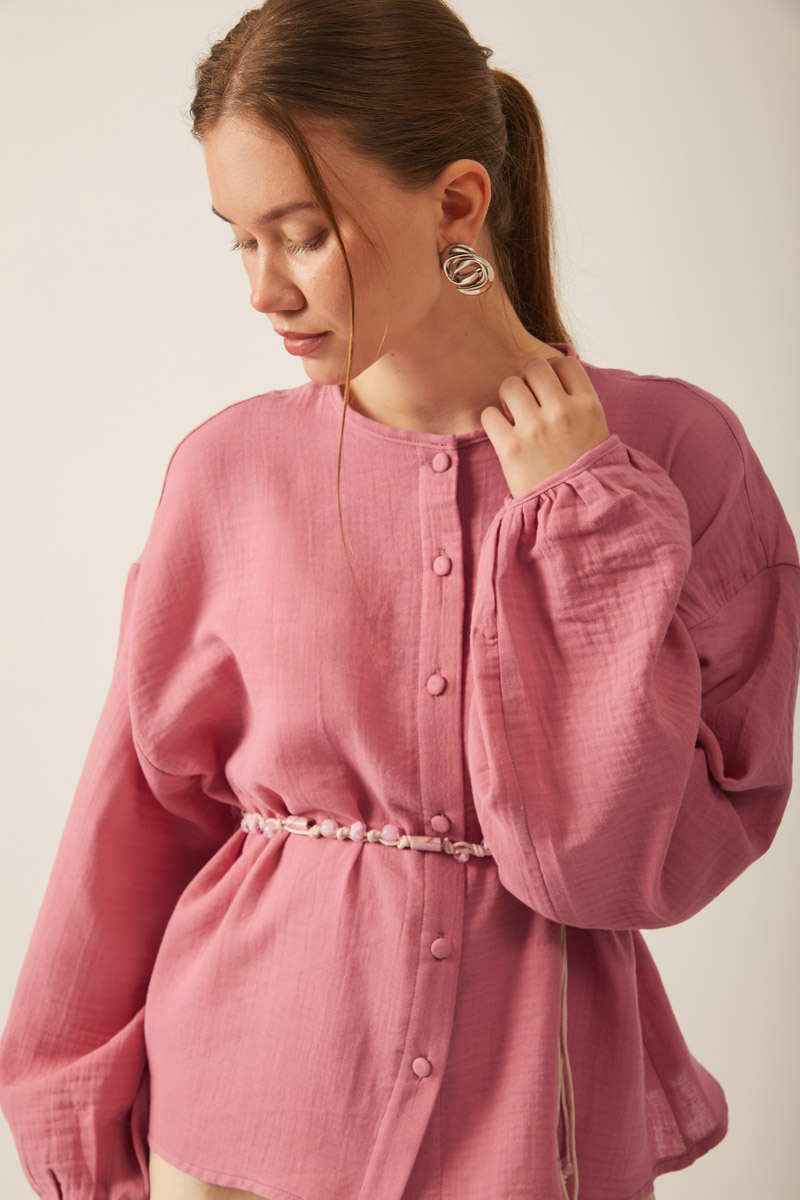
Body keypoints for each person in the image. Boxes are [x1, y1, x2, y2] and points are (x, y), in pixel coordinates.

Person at [1, 0, 798, 1197]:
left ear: (458, 205)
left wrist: (583, 525)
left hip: (522, 1137)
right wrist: (74, 1128)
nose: (263, 291)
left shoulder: (675, 459)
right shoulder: (226, 473)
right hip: (232, 1129)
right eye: (238, 241)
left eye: (302, 235)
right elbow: (131, 830)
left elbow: (626, 867)